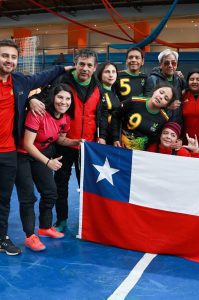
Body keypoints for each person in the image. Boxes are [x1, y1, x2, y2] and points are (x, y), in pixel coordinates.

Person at [0, 38, 69, 255]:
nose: (9, 60)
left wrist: (63, 67)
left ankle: (1, 238)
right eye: (4, 56)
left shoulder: (19, 81)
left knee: (3, 200)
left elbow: (43, 77)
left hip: (9, 151)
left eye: (13, 57)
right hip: (16, 152)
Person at [33, 48, 106, 232]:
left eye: (89, 65)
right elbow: (41, 97)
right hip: (63, 143)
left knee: (88, 186)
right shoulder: (62, 81)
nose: (85, 68)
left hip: (88, 146)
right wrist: (31, 100)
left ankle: (87, 221)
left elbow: (103, 114)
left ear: (95, 67)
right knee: (61, 184)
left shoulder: (98, 87)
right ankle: (62, 220)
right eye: (81, 64)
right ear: (75, 64)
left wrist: (102, 136)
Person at [15, 84, 82, 251]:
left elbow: (59, 139)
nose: (63, 102)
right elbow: (27, 144)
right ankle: (30, 236)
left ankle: (45, 227)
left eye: (67, 99)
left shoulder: (65, 118)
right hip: (23, 155)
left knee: (50, 192)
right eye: (60, 97)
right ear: (53, 98)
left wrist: (76, 142)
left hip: (41, 155)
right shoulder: (38, 113)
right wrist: (47, 162)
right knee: (28, 197)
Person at [112, 83, 176, 150]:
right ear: (155, 91)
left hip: (140, 156)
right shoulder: (134, 101)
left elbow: (157, 138)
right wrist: (115, 138)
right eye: (161, 92)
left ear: (166, 105)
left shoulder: (164, 119)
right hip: (118, 148)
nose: (161, 97)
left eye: (166, 98)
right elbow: (116, 115)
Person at [144, 49, 185, 124]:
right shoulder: (153, 79)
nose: (170, 65)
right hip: (159, 123)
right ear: (160, 65)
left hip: (176, 123)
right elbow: (147, 103)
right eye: (166, 63)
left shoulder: (178, 79)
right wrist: (167, 106)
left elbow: (187, 90)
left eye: (173, 63)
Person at [97, 62, 119, 144]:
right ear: (100, 74)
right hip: (102, 138)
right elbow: (100, 117)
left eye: (113, 72)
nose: (111, 75)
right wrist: (102, 136)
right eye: (107, 72)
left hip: (112, 136)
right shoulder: (98, 91)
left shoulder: (115, 91)